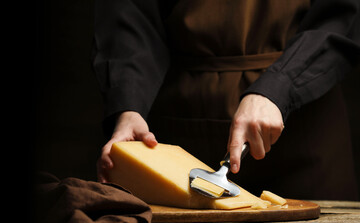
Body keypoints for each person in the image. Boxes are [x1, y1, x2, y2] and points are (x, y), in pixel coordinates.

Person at [92, 0, 360, 200]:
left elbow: (342, 14)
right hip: (175, 125)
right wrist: (129, 106)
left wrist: (279, 87)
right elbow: (127, 13)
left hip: (304, 129)